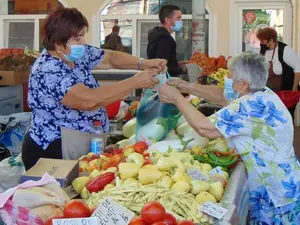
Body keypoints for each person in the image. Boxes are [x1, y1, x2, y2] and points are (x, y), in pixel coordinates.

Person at [159, 51, 300, 225]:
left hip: (274, 193)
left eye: (230, 76)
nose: (227, 79)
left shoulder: (249, 106)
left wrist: (177, 98)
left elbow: (205, 129)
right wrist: (186, 86)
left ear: (243, 84)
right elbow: (223, 95)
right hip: (285, 179)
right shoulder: (262, 92)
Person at [22, 8, 167, 171]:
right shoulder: (48, 70)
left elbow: (111, 58)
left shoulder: (74, 54)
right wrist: (135, 82)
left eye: (83, 35)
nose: (83, 42)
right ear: (58, 44)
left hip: (80, 142)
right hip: (54, 149)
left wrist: (143, 63)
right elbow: (88, 100)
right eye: (78, 38)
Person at [256, 27, 300, 121]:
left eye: (263, 41)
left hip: (286, 91)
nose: (261, 43)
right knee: (272, 118)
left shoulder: (284, 50)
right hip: (272, 91)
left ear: (271, 40)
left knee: (285, 117)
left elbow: (298, 68)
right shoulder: (264, 50)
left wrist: (294, 88)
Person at [147, 5, 187, 77]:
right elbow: (161, 67)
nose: (181, 21)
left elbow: (161, 60)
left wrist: (177, 64)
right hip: (163, 83)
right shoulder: (165, 39)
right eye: (178, 18)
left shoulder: (157, 35)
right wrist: (182, 70)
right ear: (168, 20)